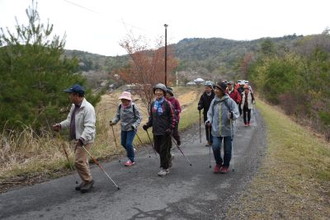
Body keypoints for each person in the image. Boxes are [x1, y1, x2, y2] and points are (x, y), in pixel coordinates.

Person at [52, 84, 96, 193]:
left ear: (76, 95)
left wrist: (82, 139)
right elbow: (69, 121)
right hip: (78, 138)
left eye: (70, 94)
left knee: (79, 161)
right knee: (82, 161)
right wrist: (60, 125)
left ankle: (88, 180)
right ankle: (86, 180)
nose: (69, 96)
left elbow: (90, 127)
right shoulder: (74, 106)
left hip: (86, 138)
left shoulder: (88, 108)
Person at [142, 83, 176, 177]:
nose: (158, 92)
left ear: (164, 92)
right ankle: (169, 157)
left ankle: (164, 168)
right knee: (157, 148)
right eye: (156, 90)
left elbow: (173, 117)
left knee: (163, 149)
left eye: (160, 91)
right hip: (156, 130)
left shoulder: (167, 104)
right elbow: (151, 118)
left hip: (165, 131)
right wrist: (147, 125)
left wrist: (170, 128)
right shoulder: (153, 104)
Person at [206, 81, 239, 174]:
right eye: (215, 89)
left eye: (218, 89)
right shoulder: (214, 101)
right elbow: (210, 113)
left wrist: (233, 115)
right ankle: (219, 163)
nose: (215, 91)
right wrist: (209, 120)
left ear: (223, 91)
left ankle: (226, 165)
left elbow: (236, 112)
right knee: (215, 147)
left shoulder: (229, 101)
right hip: (216, 129)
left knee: (227, 150)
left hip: (228, 129)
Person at [110, 91, 142, 166]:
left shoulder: (134, 106)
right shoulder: (120, 106)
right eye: (122, 100)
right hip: (123, 128)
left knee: (128, 144)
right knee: (123, 143)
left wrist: (134, 125)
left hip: (131, 128)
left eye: (125, 100)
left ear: (129, 100)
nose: (123, 101)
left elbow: (139, 118)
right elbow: (118, 116)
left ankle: (131, 160)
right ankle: (132, 150)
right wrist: (113, 122)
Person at [197, 81, 215, 146]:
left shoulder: (215, 95)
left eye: (208, 88)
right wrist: (199, 106)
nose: (206, 89)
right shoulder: (203, 96)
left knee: (213, 127)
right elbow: (200, 102)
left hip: (214, 114)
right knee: (207, 127)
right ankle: (209, 140)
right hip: (206, 114)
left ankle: (214, 139)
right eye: (206, 88)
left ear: (211, 88)